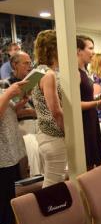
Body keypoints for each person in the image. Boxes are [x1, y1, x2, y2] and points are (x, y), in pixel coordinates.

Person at [32, 30, 67, 188]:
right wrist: (69, 132)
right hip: (53, 135)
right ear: (54, 49)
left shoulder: (37, 71)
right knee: (53, 182)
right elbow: (56, 111)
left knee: (53, 179)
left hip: (44, 133)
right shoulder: (49, 74)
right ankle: (44, 212)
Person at [77, 35, 101, 170]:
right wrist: (100, 101)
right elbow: (76, 104)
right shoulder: (75, 73)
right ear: (79, 50)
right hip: (83, 122)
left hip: (91, 118)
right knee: (87, 164)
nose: (93, 52)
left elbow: (86, 97)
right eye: (90, 48)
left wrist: (100, 96)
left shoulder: (84, 72)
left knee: (94, 162)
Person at [0, 80, 28, 224]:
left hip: (9, 154)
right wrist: (9, 93)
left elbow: (7, 113)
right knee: (4, 210)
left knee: (9, 204)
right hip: (2, 159)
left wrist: (19, 104)